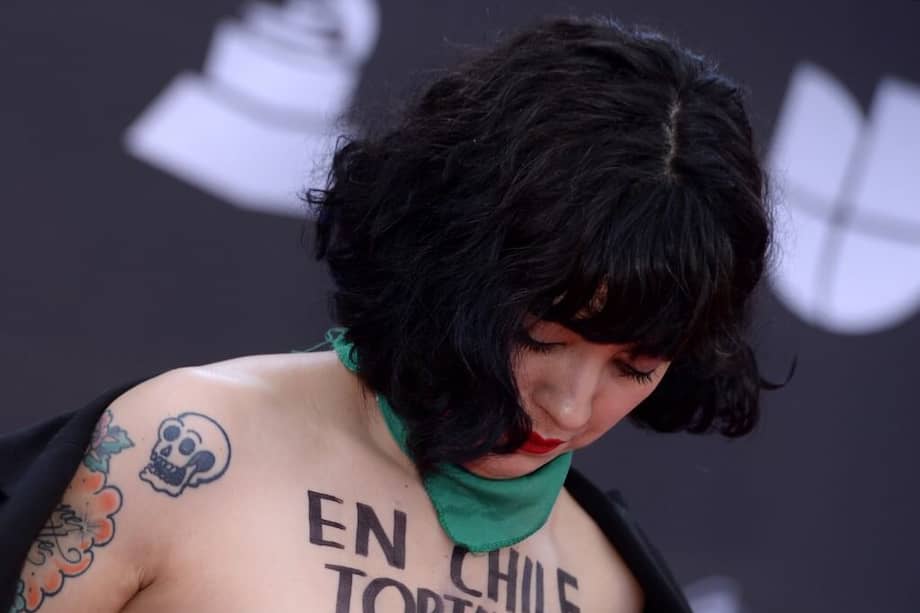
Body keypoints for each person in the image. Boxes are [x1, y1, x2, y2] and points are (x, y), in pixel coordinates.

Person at [0, 14, 776, 613]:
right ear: (450, 262)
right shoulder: (181, 452)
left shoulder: (612, 581)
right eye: (543, 336)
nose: (569, 405)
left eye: (633, 365)